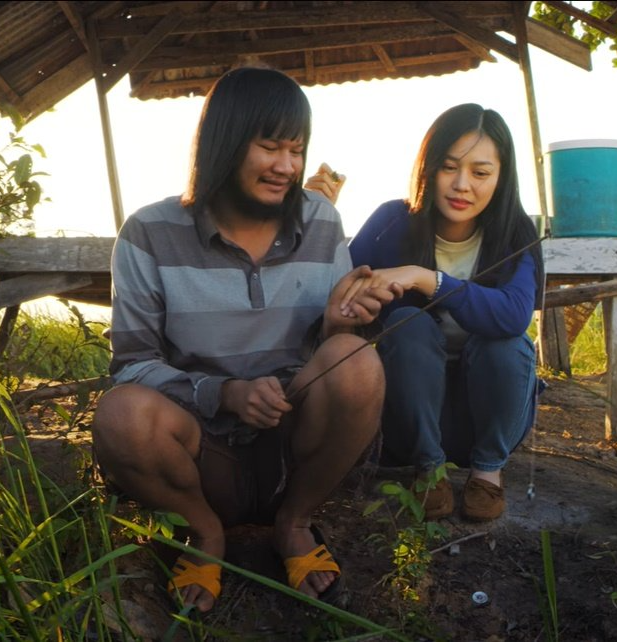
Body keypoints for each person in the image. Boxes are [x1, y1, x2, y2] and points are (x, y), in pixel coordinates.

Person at [91, 66, 395, 613]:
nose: (287, 167)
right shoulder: (148, 234)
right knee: (120, 415)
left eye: (297, 150)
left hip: (291, 446)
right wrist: (224, 393)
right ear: (226, 142)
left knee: (355, 361)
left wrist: (339, 323)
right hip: (201, 455)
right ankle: (206, 535)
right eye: (270, 146)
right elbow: (133, 365)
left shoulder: (322, 221)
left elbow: (330, 353)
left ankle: (295, 522)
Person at [340, 103, 544, 522]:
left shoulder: (516, 233)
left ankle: (488, 474)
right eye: (449, 167)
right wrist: (362, 302)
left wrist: (425, 278)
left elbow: (513, 316)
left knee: (505, 343)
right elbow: (342, 295)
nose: (462, 185)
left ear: (502, 177)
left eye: (480, 172)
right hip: (408, 422)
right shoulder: (391, 222)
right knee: (403, 324)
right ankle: (429, 472)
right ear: (428, 168)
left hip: (487, 421)